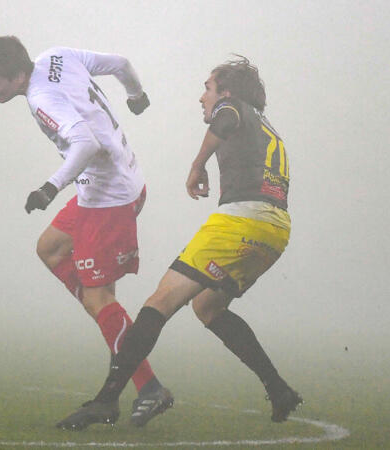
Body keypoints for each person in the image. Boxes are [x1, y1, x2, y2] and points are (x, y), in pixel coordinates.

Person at [56, 55, 302, 430]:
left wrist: (197, 164)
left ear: (227, 91)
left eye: (207, 87)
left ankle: (106, 401)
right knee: (207, 306)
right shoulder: (269, 128)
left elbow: (225, 118)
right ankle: (279, 388)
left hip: (240, 220)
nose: (202, 97)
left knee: (159, 302)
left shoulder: (232, 106)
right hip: (276, 229)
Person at [0, 36, 172, 427]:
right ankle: (102, 308)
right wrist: (137, 94)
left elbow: (85, 142)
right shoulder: (55, 56)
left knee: (100, 298)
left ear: (17, 77)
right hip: (112, 182)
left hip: (108, 197)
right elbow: (120, 61)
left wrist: (50, 187)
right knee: (49, 248)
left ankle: (149, 387)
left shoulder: (40, 98)